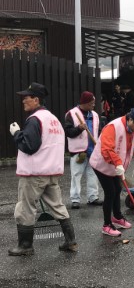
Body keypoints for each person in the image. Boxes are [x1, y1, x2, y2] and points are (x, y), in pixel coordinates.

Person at [8, 82, 77, 256]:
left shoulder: (34, 120)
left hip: (34, 173)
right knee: (58, 206)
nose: (23, 100)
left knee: (25, 208)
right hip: (52, 172)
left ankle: (25, 246)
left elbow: (29, 146)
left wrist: (16, 133)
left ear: (36, 99)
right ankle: (71, 241)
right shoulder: (53, 119)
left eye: (27, 97)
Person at [89, 108, 134, 237]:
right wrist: (118, 163)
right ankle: (106, 225)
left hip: (116, 166)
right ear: (131, 120)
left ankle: (117, 217)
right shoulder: (113, 127)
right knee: (110, 192)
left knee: (117, 190)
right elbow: (107, 149)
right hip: (102, 165)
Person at [64, 91, 103, 209]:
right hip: (78, 151)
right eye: (91, 103)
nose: (93, 105)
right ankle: (75, 199)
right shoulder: (71, 114)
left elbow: (99, 132)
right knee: (76, 175)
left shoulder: (95, 115)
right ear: (85, 103)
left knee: (93, 174)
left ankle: (93, 197)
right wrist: (79, 128)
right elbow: (68, 132)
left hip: (93, 150)